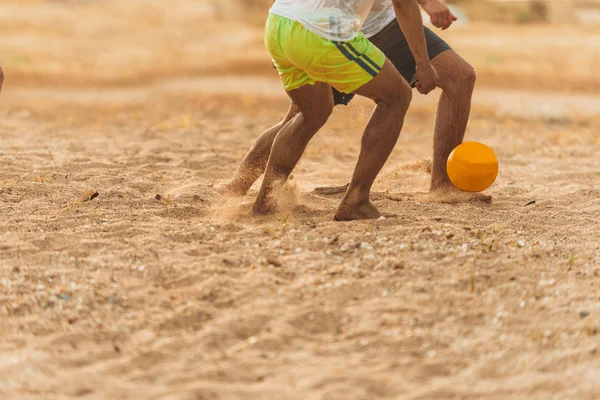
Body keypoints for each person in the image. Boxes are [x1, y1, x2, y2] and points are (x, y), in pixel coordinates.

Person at [222, 0, 491, 207]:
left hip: (349, 24)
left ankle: (443, 185)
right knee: (304, 114)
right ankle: (241, 186)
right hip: (344, 29)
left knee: (460, 76)